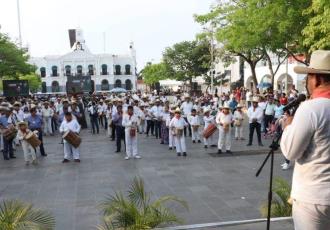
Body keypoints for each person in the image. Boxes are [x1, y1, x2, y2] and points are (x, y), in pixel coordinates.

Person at [280, 50, 330, 230]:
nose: (305, 82)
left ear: (315, 79)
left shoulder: (311, 108)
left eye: (307, 77)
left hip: (313, 198)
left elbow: (290, 151)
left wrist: (288, 126)